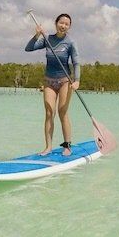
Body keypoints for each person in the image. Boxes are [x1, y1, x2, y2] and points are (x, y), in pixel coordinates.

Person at [25, 13, 80, 156]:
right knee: (49, 113)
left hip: (65, 82)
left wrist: (77, 80)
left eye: (67, 24)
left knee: (62, 113)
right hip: (49, 81)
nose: (63, 26)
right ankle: (48, 147)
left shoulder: (70, 43)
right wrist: (36, 35)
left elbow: (76, 63)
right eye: (61, 23)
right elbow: (28, 48)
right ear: (56, 23)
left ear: (69, 27)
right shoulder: (48, 39)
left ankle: (67, 146)